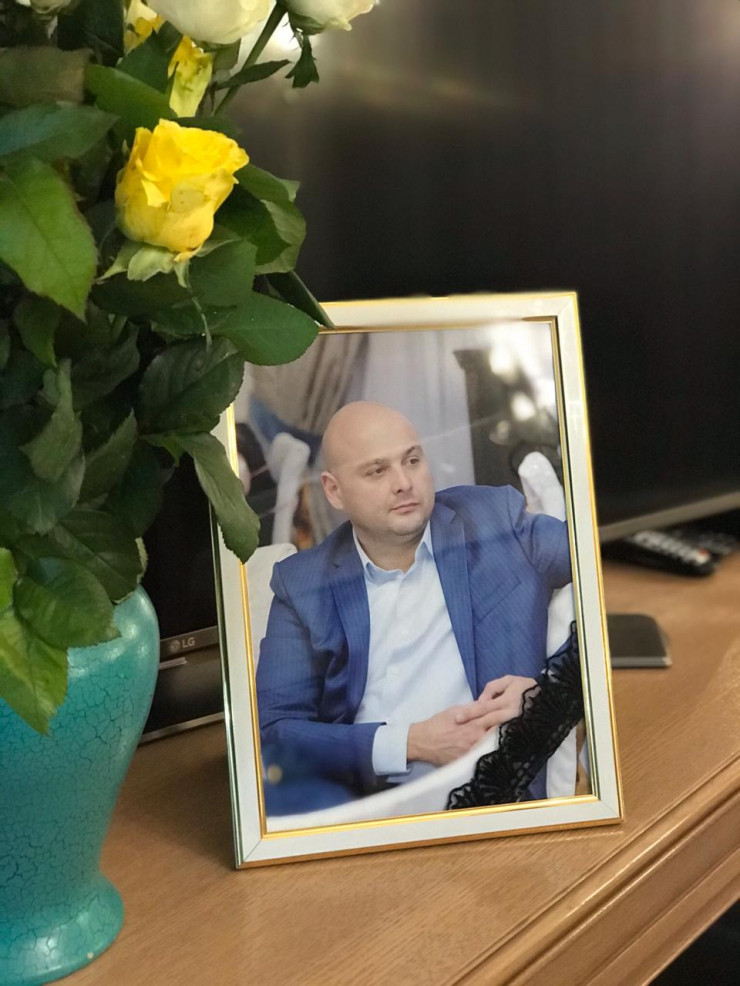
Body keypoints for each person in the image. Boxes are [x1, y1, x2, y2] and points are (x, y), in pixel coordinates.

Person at [256, 402, 572, 812]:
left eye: (412, 460)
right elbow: (274, 732)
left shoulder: (495, 522)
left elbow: (601, 572)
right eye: (377, 471)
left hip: (496, 803)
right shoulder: (302, 583)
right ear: (334, 491)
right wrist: (410, 743)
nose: (404, 483)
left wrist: (546, 692)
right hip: (364, 814)